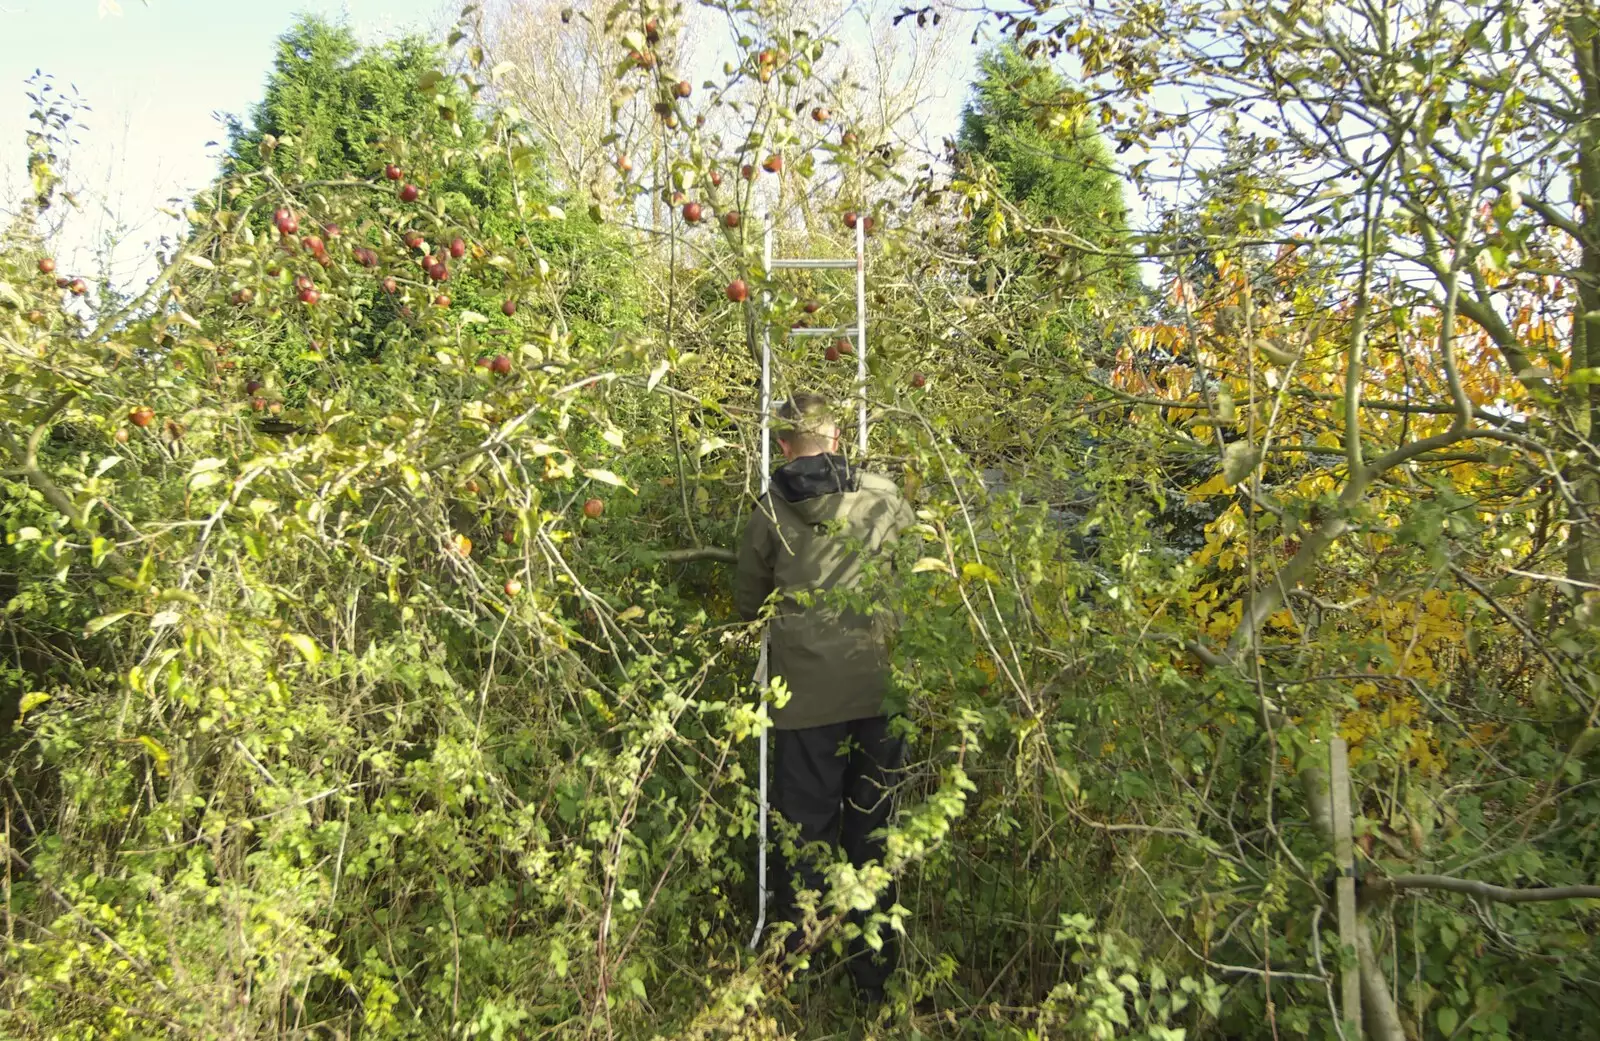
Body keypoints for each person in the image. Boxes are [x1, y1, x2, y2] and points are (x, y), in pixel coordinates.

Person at [734, 392, 917, 1005]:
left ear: (784, 447)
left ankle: (794, 967)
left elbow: (747, 601)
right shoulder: (885, 497)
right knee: (873, 831)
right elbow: (917, 575)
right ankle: (874, 979)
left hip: (803, 700)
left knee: (804, 834)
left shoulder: (768, 510)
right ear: (836, 440)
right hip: (877, 689)